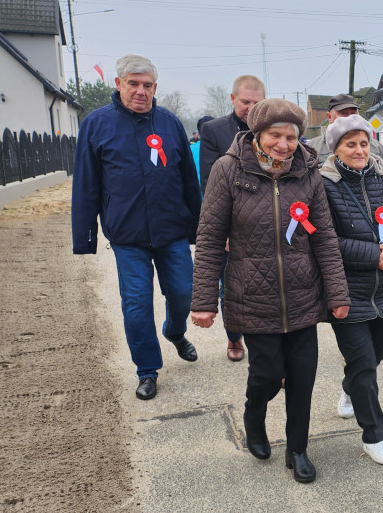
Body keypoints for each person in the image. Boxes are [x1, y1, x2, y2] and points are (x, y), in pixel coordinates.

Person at [190, 99, 350, 484]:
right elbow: (210, 239)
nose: (284, 144)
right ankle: (254, 414)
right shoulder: (229, 170)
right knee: (267, 373)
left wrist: (338, 293)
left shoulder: (308, 171)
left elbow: (325, 236)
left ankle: (298, 449)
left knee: (302, 375)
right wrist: (203, 301)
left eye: (291, 136)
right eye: (275, 135)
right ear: (257, 135)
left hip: (302, 293)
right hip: (252, 293)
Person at [72, 54, 201, 401]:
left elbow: (189, 179)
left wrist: (198, 227)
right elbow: (86, 184)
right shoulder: (96, 125)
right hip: (127, 236)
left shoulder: (170, 123)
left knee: (183, 293)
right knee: (137, 305)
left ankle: (175, 331)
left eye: (147, 85)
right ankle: (147, 370)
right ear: (119, 84)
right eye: (133, 83)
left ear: (155, 88)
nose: (140, 91)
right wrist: (85, 237)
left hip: (171, 230)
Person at [320, 114, 383, 466]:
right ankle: (374, 435)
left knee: (376, 353)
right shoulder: (324, 184)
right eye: (350, 144)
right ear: (336, 148)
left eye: (363, 143)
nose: (359, 150)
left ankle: (349, 389)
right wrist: (375, 254)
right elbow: (325, 238)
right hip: (346, 289)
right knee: (362, 363)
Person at [199, 76, 266, 362]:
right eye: (245, 102)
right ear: (232, 98)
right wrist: (223, 230)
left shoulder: (272, 128)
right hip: (231, 219)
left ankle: (267, 340)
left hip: (265, 218)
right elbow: (209, 184)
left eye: (256, 102)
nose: (250, 108)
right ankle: (234, 338)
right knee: (232, 285)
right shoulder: (214, 130)